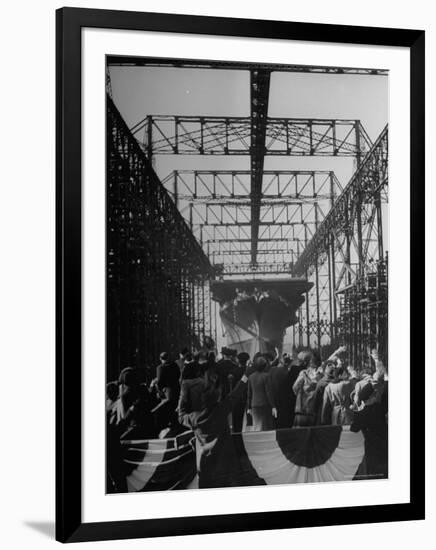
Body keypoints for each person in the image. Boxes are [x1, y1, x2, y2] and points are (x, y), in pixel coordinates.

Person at [180, 361, 256, 488]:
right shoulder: (222, 409)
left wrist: (183, 392)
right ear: (216, 399)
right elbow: (237, 392)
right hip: (225, 467)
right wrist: (246, 374)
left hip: (204, 468)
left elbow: (180, 415)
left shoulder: (194, 418)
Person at [247, 356, 277, 431]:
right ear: (265, 365)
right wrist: (273, 406)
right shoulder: (266, 376)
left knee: (257, 427)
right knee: (266, 427)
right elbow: (269, 393)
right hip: (265, 404)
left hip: (254, 405)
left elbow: (249, 394)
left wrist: (249, 407)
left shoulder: (251, 377)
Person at [292, 351, 318, 427]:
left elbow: (295, 387)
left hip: (302, 408)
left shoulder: (303, 373)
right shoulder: (319, 374)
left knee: (300, 432)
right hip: (312, 407)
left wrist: (299, 394)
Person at [269, 356, 293, 429]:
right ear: (288, 364)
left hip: (273, 398)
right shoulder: (287, 372)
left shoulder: (271, 370)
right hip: (284, 399)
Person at [231, 352, 250, 432]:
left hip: (237, 398)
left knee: (237, 420)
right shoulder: (249, 370)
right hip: (247, 396)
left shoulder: (234, 371)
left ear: (238, 360)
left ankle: (237, 435)